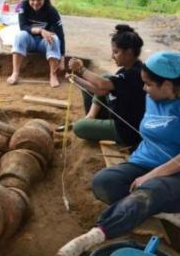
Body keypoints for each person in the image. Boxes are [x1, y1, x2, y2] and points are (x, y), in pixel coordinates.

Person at [57, 51, 180, 256]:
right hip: (143, 162)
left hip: (172, 173)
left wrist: (150, 176)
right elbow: (104, 85)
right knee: (104, 182)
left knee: (150, 190)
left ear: (167, 85)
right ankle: (163, 209)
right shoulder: (153, 97)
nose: (144, 88)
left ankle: (94, 236)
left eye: (148, 84)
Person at [68, 24, 145, 149]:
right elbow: (100, 90)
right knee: (105, 77)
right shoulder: (126, 71)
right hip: (117, 113)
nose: (112, 56)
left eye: (116, 52)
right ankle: (91, 117)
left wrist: (81, 69)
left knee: (79, 128)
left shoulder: (134, 74)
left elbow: (102, 85)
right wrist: (76, 79)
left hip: (126, 130)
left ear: (129, 52)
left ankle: (91, 123)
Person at [6, 0, 66, 87]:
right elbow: (23, 26)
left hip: (44, 44)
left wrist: (62, 57)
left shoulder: (52, 11)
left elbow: (60, 34)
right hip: (30, 41)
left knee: (54, 38)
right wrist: (41, 30)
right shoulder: (22, 6)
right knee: (20, 35)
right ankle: (15, 73)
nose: (35, 2)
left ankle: (53, 75)